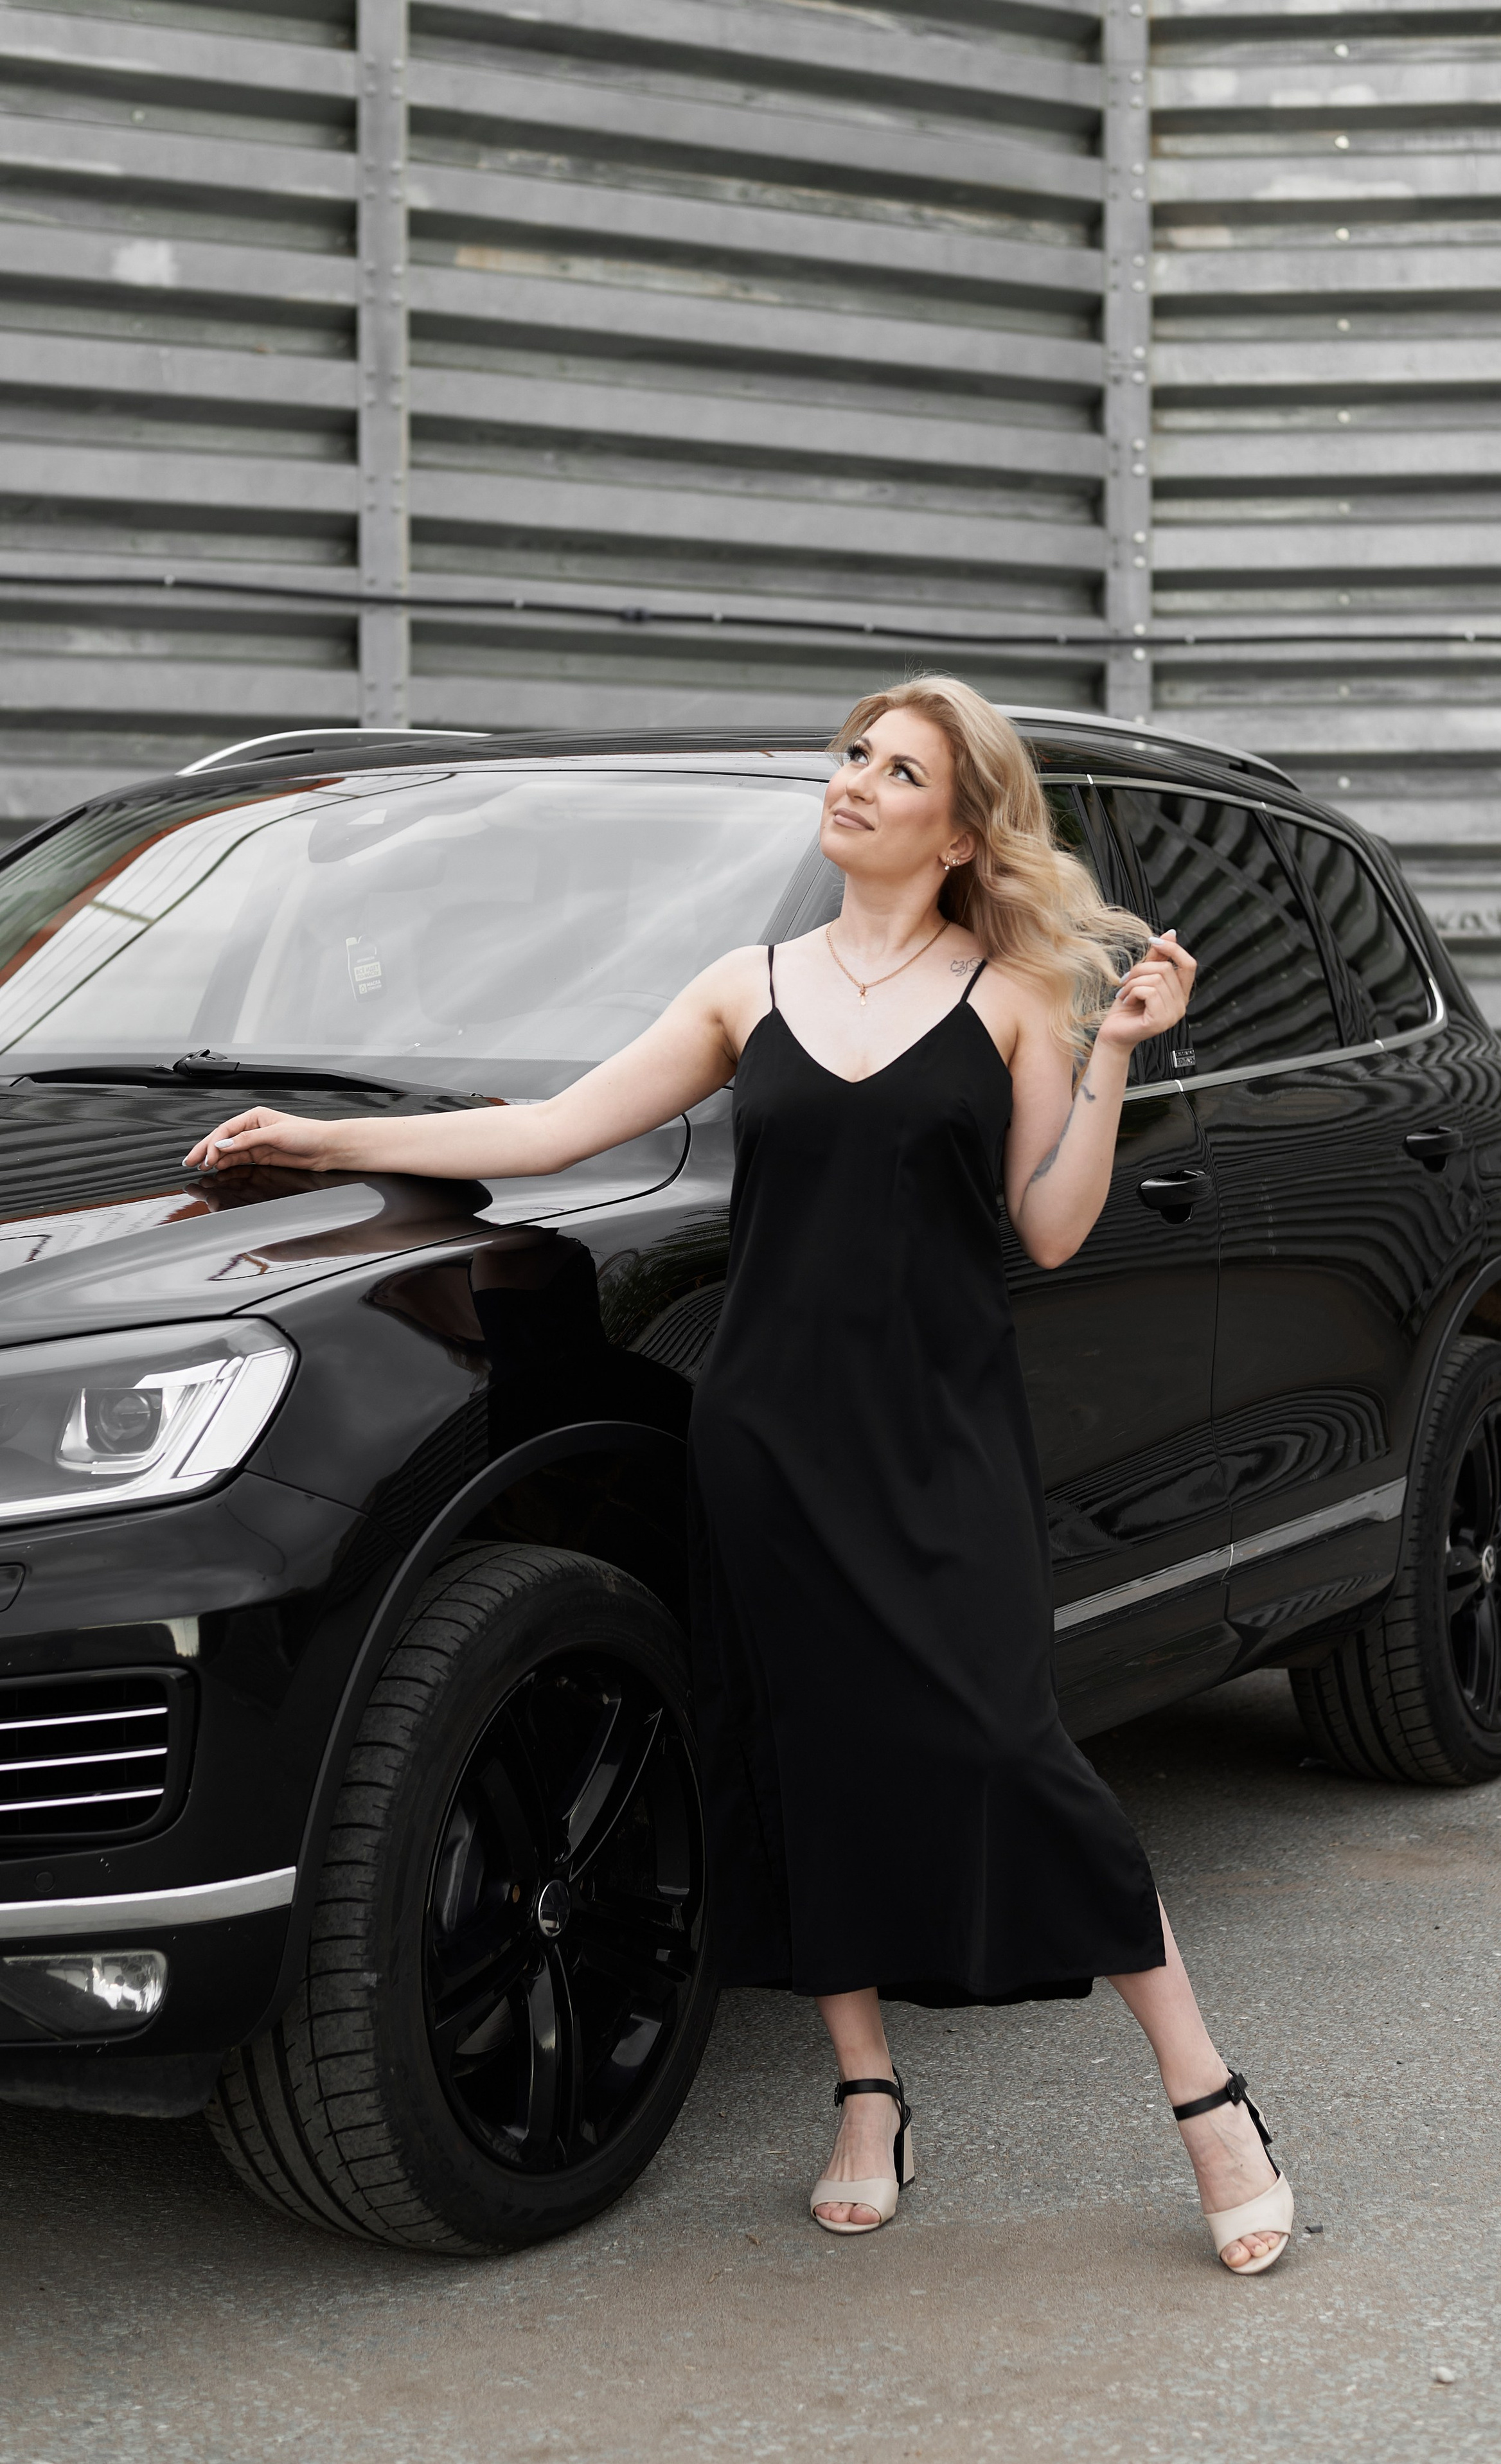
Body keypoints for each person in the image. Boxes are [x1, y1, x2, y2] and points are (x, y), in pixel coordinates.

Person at [186, 677, 1294, 2275]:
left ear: (960, 824)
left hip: (939, 1440)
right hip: (768, 1433)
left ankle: (1209, 2100)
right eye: (852, 755)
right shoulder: (746, 986)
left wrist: (1114, 1049)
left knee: (1007, 1750)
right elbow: (558, 1128)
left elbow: (1046, 1227)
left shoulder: (1011, 997)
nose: (851, 781)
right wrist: (322, 1140)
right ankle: (863, 2090)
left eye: (894, 768)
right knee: (793, 1746)